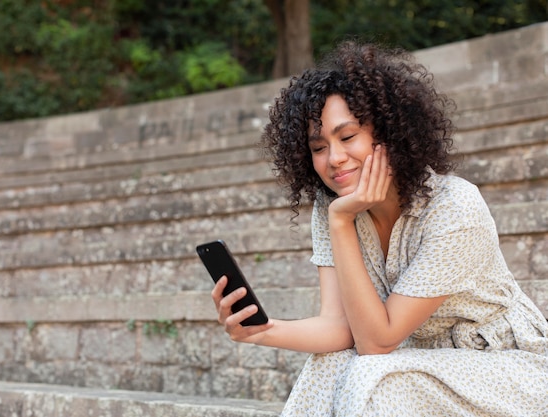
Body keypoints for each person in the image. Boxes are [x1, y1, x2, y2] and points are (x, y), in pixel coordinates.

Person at [211, 40, 548, 416]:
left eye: (348, 137)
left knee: (379, 375)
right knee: (330, 365)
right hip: (413, 360)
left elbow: (377, 341)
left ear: (387, 132)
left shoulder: (454, 207)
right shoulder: (332, 206)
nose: (334, 159)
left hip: (507, 371)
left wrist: (341, 223)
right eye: (318, 147)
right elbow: (341, 328)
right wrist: (263, 330)